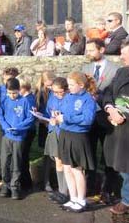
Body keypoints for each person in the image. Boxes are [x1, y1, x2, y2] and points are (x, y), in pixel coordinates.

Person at [82, 38, 119, 201]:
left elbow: (116, 93)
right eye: (87, 50)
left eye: (91, 50)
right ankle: (90, 186)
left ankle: (107, 189)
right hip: (89, 119)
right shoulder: (86, 68)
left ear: (102, 50)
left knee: (108, 154)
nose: (88, 53)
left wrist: (100, 97)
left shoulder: (115, 70)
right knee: (89, 152)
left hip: (106, 119)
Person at [55, 72, 96, 213]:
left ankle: (81, 200)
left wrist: (66, 118)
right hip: (65, 134)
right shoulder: (68, 96)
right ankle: (73, 198)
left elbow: (88, 119)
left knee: (77, 170)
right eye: (69, 84)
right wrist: (57, 116)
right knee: (67, 168)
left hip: (78, 137)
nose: (69, 87)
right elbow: (64, 112)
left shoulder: (88, 99)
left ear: (81, 85)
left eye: (72, 85)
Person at [102, 41, 129, 215]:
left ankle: (126, 201)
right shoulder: (121, 72)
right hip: (118, 127)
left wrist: (124, 113)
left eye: (125, 54)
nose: (121, 57)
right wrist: (110, 108)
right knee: (122, 166)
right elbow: (107, 92)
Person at [0, 77, 34, 200]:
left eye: (14, 93)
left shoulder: (25, 102)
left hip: (19, 137)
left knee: (17, 162)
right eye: (9, 93)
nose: (12, 95)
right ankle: (5, 184)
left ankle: (15, 186)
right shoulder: (5, 100)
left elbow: (29, 118)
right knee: (4, 162)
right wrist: (6, 126)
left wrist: (18, 127)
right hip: (7, 136)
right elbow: (0, 115)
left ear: (19, 90)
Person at [42, 77, 69, 205]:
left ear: (66, 89)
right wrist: (46, 117)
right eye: (54, 92)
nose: (57, 94)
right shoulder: (52, 97)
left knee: (66, 163)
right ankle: (61, 190)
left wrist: (60, 119)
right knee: (57, 161)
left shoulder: (69, 99)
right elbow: (49, 112)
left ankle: (66, 191)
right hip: (54, 131)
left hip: (65, 133)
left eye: (60, 92)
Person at [18, 76, 37, 191]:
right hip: (27, 130)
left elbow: (28, 117)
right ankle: (25, 181)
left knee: (23, 156)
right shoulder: (29, 97)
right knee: (23, 156)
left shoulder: (28, 99)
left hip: (27, 131)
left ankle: (25, 182)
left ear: (24, 87)